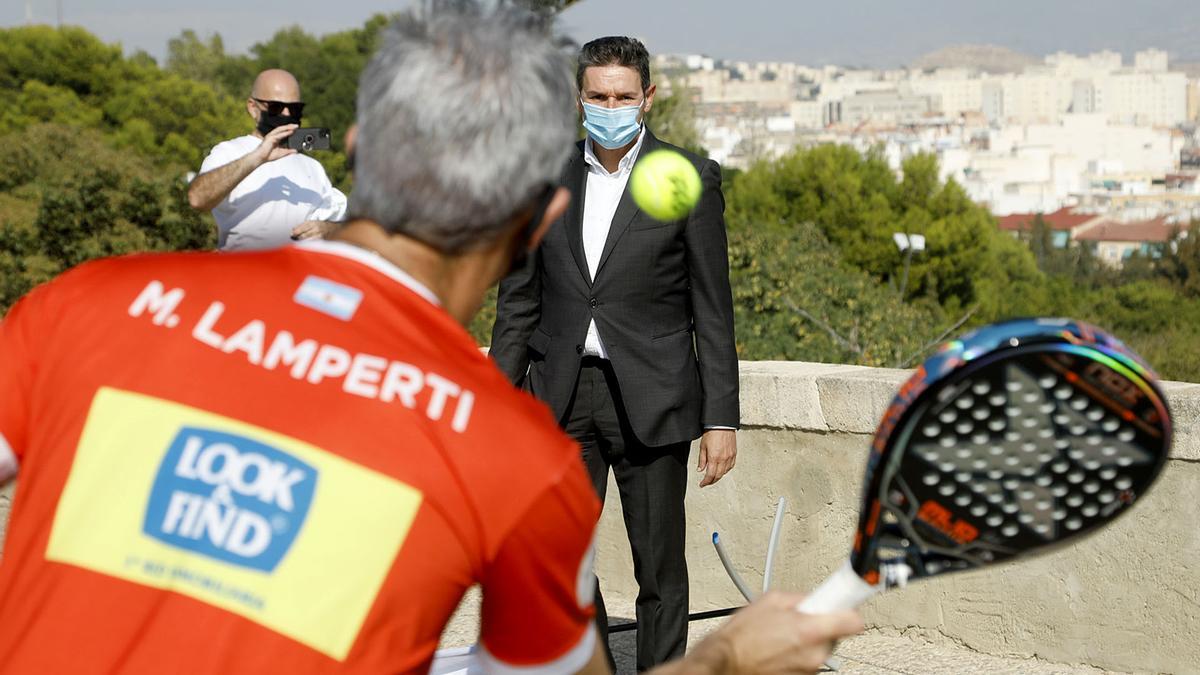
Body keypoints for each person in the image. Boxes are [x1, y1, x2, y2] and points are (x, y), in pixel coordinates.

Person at [0, 6, 859, 674]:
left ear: (363, 145)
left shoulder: (90, 301)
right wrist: (729, 657)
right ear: (540, 210)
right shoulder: (514, 466)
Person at [490, 36, 740, 670]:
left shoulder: (686, 176)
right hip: (559, 395)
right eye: (598, 95)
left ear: (647, 98)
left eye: (623, 96)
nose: (610, 106)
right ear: (579, 99)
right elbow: (518, 302)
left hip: (653, 396)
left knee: (659, 567)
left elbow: (712, 306)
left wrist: (721, 418)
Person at [187, 69, 347, 251]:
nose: (286, 114)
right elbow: (197, 199)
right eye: (276, 107)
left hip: (297, 274)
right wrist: (258, 157)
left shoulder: (313, 168)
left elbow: (349, 227)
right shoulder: (229, 152)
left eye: (294, 108)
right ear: (252, 108)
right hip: (246, 272)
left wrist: (329, 230)